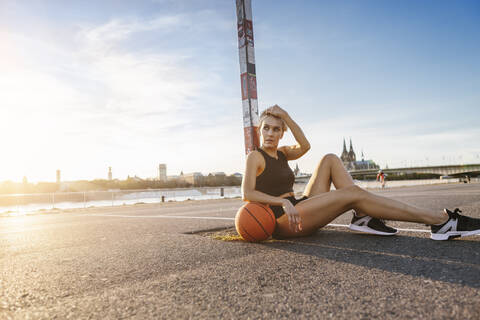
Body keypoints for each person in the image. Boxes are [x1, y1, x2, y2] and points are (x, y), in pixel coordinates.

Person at [241, 105, 480, 240]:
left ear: (282, 133)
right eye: (266, 128)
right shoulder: (256, 156)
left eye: (276, 129)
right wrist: (282, 204)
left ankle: (363, 217)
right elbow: (247, 193)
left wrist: (288, 118)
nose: (270, 133)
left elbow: (305, 146)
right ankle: (441, 221)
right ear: (260, 130)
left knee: (330, 159)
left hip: (298, 206)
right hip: (284, 220)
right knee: (353, 193)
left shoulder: (282, 153)